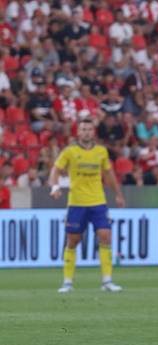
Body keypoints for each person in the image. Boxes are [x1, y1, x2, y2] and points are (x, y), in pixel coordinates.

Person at [48, 118, 125, 293]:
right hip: (77, 203)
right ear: (78, 132)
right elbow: (55, 170)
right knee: (73, 241)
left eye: (89, 129)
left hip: (98, 202)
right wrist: (55, 187)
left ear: (94, 132)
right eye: (83, 129)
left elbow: (109, 174)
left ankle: (107, 281)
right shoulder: (70, 151)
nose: (86, 132)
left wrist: (118, 194)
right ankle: (67, 282)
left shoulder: (101, 152)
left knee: (105, 236)